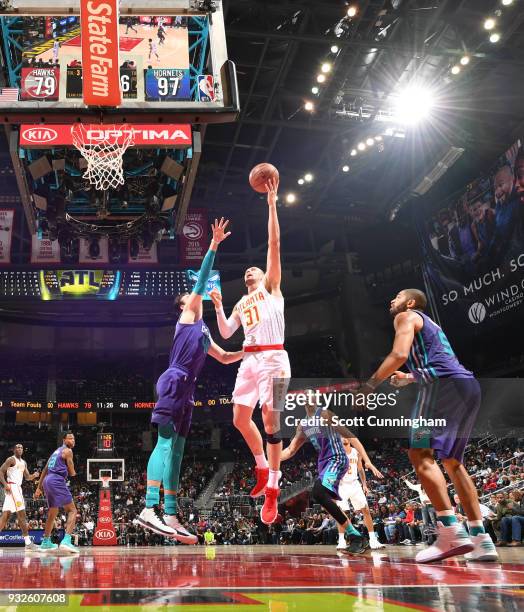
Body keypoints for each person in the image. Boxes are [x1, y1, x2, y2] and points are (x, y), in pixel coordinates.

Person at [362, 288, 498, 563]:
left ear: (410, 303)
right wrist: (410, 378)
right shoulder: (432, 325)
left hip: (441, 389)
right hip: (466, 388)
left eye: (397, 296)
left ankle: (449, 531)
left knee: (419, 453)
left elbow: (399, 353)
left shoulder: (405, 317)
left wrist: (369, 385)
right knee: (453, 462)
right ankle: (481, 539)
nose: (392, 299)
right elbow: (440, 362)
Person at [138, 218, 243, 543]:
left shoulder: (205, 331)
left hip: (189, 391)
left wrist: (251, 351)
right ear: (185, 305)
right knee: (165, 444)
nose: (194, 297)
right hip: (173, 380)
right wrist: (213, 244)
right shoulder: (187, 318)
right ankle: (149, 507)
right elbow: (199, 286)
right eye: (190, 296)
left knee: (179, 452)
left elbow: (225, 357)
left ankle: (170, 513)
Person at [208, 178, 291, 525]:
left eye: (253, 268)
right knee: (240, 419)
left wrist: (271, 205)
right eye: (246, 270)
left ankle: (273, 486)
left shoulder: (271, 288)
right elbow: (227, 333)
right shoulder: (242, 301)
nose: (249, 270)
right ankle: (261, 468)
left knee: (271, 421)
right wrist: (218, 307)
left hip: (274, 357)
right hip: (249, 359)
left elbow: (273, 243)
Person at [280, 400, 383, 554]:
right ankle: (355, 536)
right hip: (324, 464)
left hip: (337, 459)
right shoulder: (303, 425)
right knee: (320, 497)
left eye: (312, 394)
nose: (308, 397)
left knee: (319, 492)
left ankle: (359, 537)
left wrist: (367, 461)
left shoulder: (325, 414)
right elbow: (290, 450)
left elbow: (351, 437)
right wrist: (269, 461)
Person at [34, 432, 79, 554]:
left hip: (47, 481)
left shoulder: (55, 452)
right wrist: (75, 474)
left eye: (74, 438)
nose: (73, 440)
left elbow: (45, 469)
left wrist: (39, 488)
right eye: (70, 438)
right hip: (56, 480)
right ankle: (66, 541)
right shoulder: (68, 451)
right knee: (72, 510)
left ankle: (46, 542)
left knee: (53, 512)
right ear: (64, 440)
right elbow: (71, 471)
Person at [336, 437, 385, 549]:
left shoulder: (356, 452)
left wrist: (364, 484)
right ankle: (341, 540)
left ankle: (373, 540)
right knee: (342, 513)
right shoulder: (336, 453)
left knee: (366, 510)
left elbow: (360, 469)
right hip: (341, 485)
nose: (344, 438)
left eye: (345, 436)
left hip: (354, 484)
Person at [0, 444, 40, 551]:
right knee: (22, 514)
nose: (20, 449)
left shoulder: (23, 462)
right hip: (13, 487)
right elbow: (0, 471)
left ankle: (27, 543)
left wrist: (34, 475)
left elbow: (27, 477)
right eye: (17, 447)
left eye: (21, 447)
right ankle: (28, 542)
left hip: (17, 488)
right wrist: (5, 484)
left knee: (5, 516)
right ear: (13, 450)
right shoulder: (11, 459)